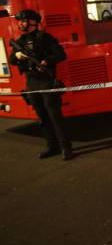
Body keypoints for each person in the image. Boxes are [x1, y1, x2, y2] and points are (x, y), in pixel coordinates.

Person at [9, 9, 73, 161]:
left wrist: (47, 61)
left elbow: (61, 54)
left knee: (55, 117)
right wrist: (17, 55)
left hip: (47, 82)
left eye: (23, 20)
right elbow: (12, 59)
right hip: (31, 84)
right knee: (42, 118)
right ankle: (52, 146)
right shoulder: (20, 41)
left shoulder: (45, 38)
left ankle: (65, 147)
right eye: (20, 21)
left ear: (33, 22)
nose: (20, 23)